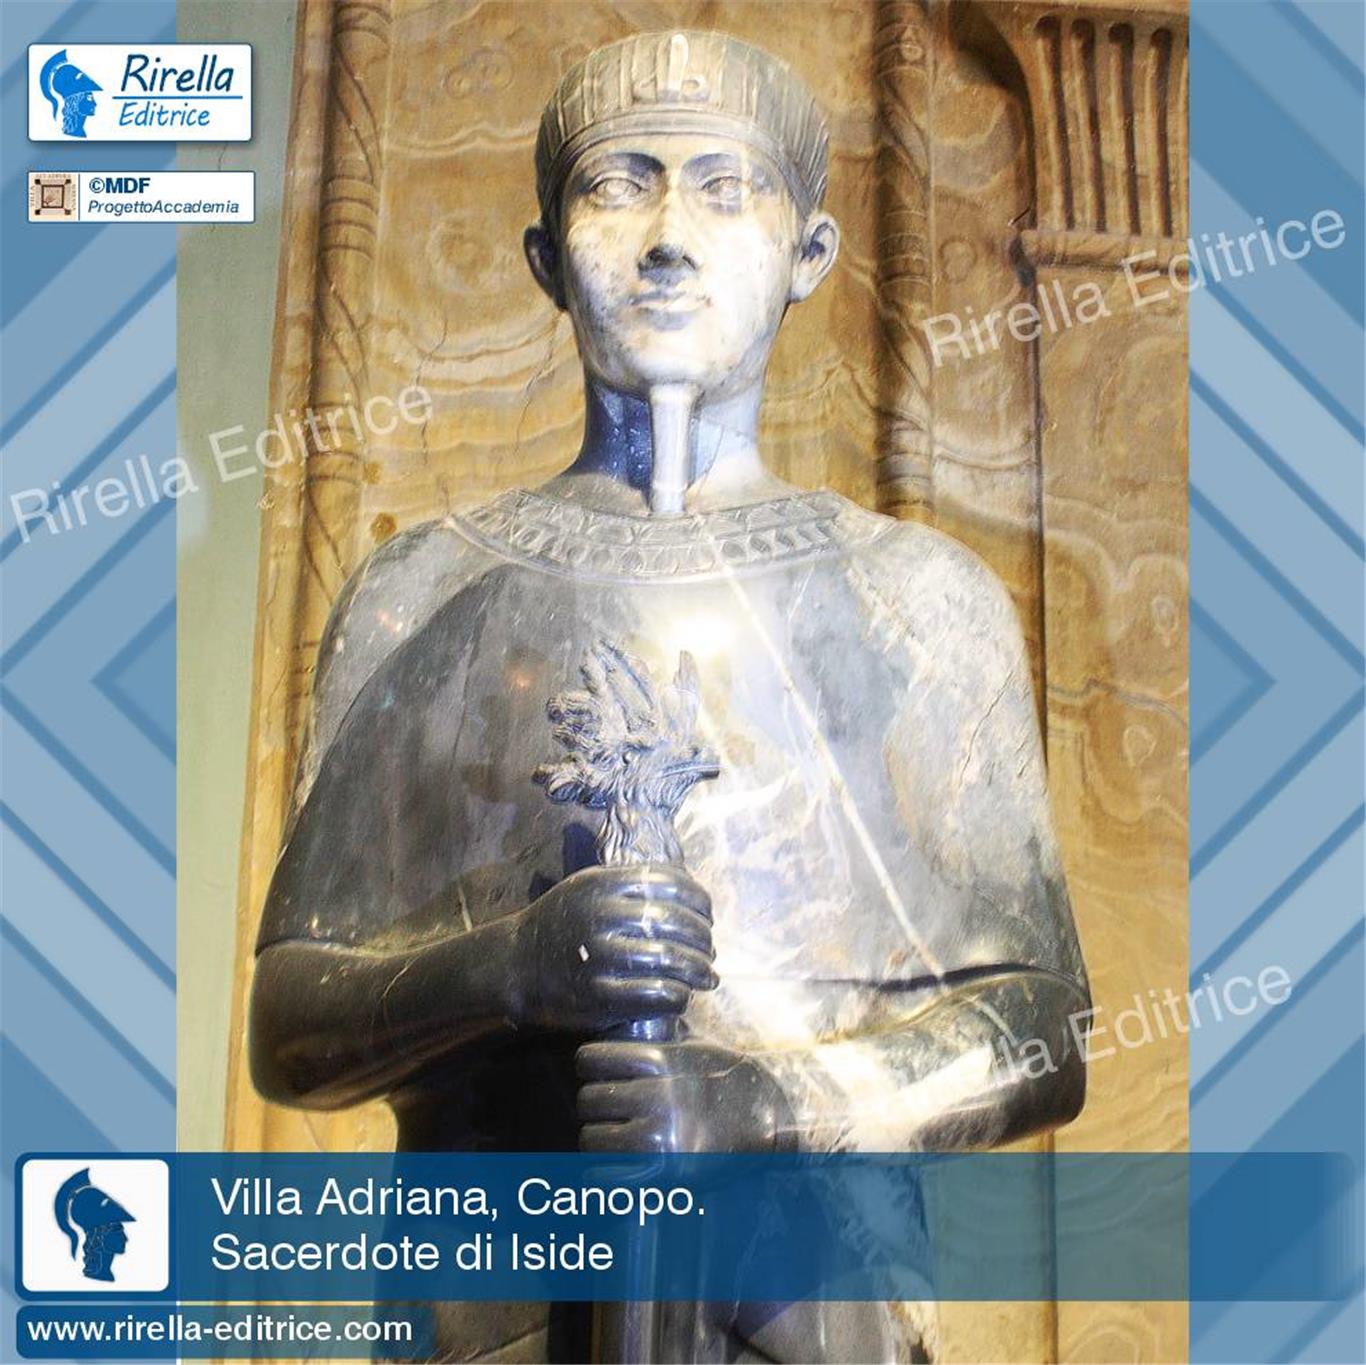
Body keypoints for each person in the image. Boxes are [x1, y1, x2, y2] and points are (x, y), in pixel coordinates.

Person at [249, 30, 1089, 1362]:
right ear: (545, 256)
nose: (666, 240)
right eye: (619, 184)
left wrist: (769, 1102)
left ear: (808, 251)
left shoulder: (920, 599)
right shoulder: (419, 592)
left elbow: (1040, 1028)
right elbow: (294, 1024)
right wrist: (506, 968)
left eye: (722, 186)